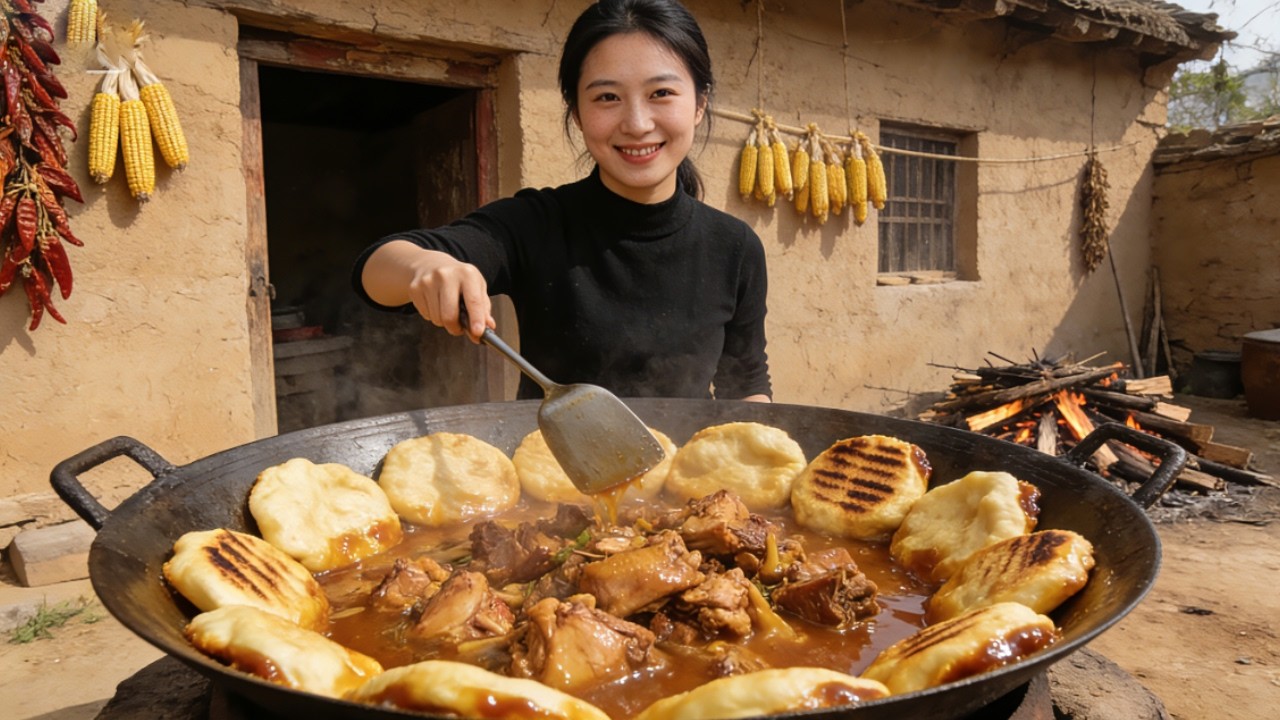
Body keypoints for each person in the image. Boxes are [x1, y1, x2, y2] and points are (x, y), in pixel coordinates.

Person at [353, 0, 771, 402]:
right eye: (607, 97)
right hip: (549, 469)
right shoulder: (537, 223)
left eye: (661, 92)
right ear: (576, 113)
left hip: (683, 471)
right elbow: (373, 274)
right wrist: (426, 265)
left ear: (699, 104)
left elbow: (747, 384)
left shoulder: (734, 247)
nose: (638, 123)